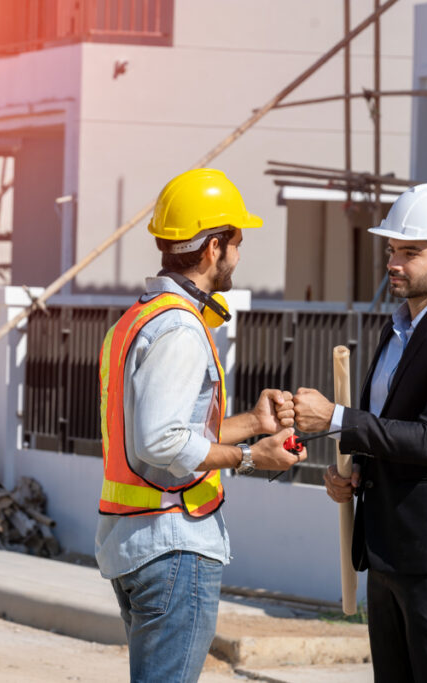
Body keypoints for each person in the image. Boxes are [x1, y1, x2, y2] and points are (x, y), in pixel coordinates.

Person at [95, 168, 304, 682]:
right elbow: (161, 440)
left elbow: (163, 433)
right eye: (236, 239)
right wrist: (254, 457)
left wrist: (253, 423)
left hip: (137, 541)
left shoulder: (139, 319)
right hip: (174, 547)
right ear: (214, 247)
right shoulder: (181, 328)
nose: (238, 252)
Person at [292, 183, 427, 682]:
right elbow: (391, 430)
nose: (394, 262)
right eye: (392, 249)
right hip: (387, 551)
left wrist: (338, 420)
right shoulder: (394, 329)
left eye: (411, 252)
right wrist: (354, 470)